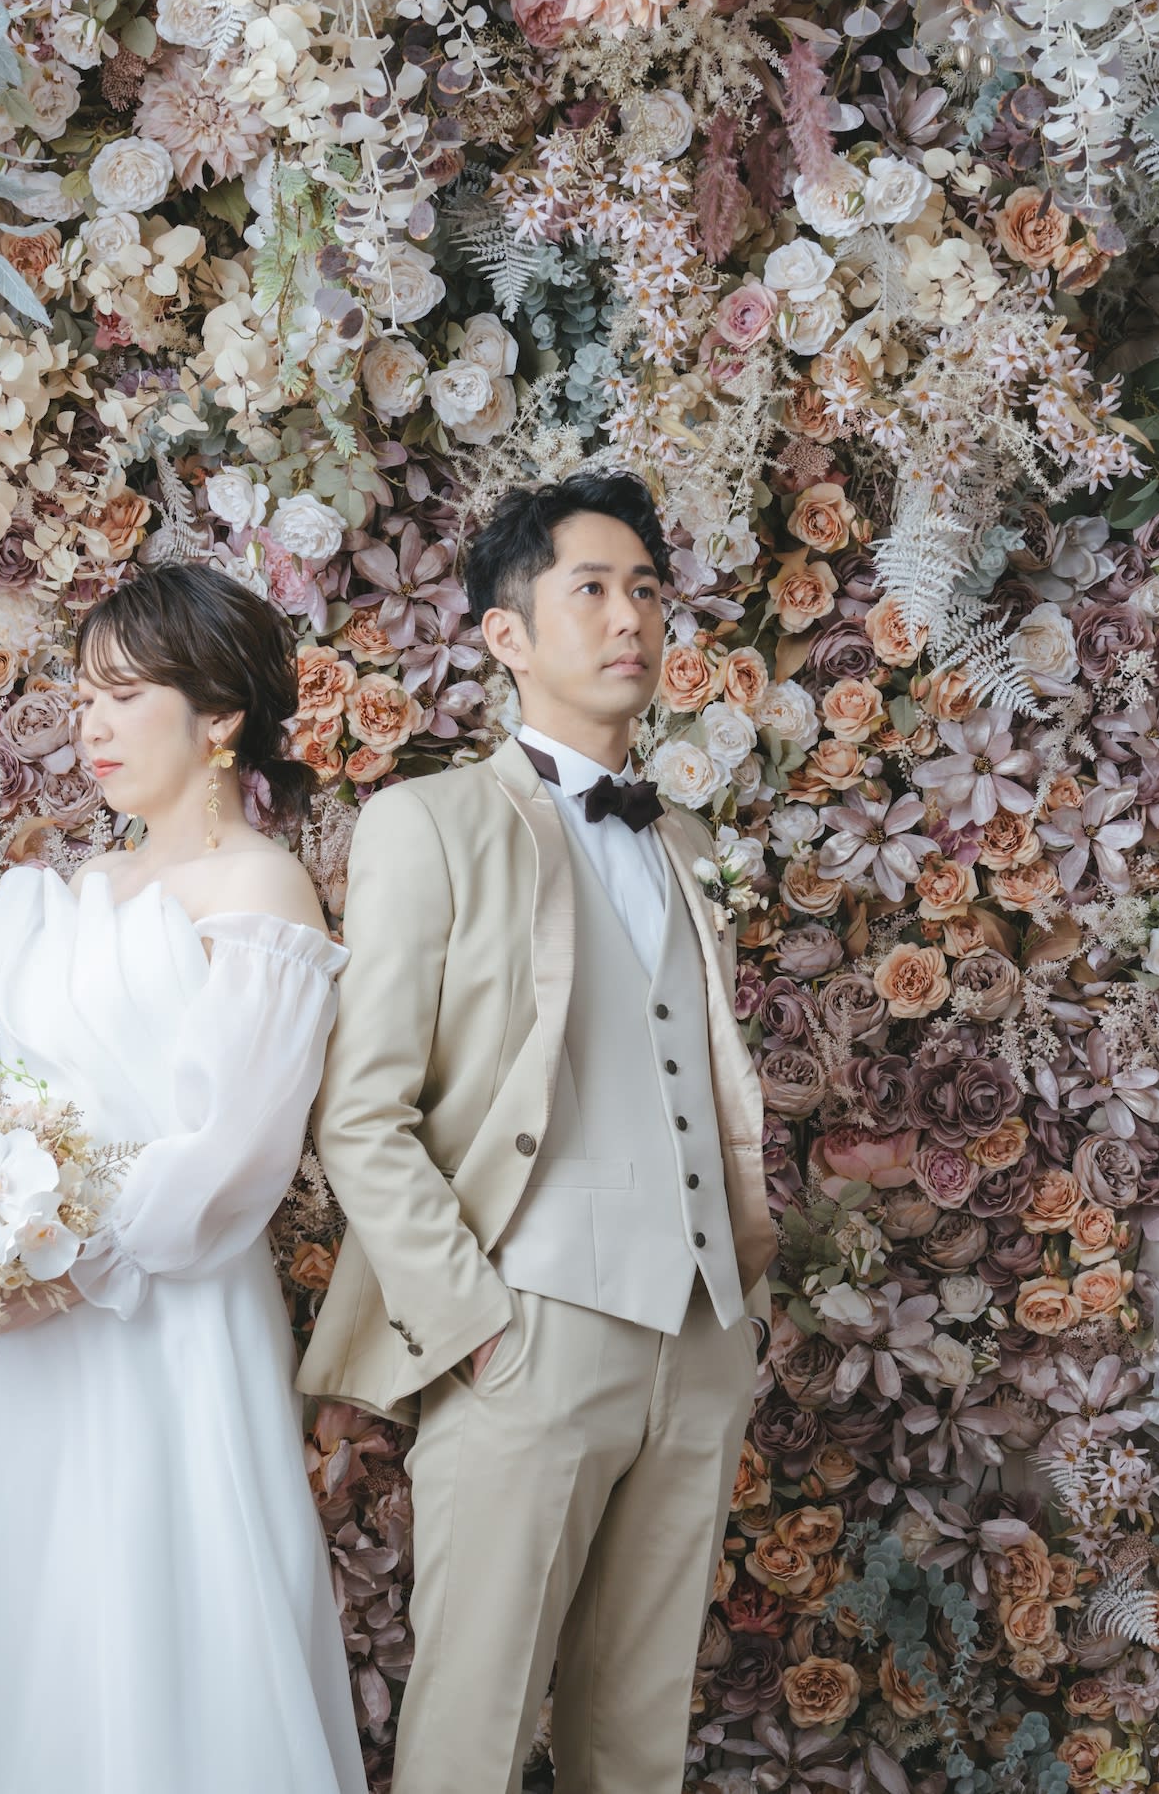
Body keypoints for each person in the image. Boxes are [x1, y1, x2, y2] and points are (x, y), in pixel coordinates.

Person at [0, 563, 368, 1794]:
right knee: (19, 1622)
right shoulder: (72, 894)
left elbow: (236, 1147)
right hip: (23, 1330)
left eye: (125, 695)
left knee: (162, 1617)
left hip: (165, 1314)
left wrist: (69, 1275)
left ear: (219, 714)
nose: (92, 724)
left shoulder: (260, 886)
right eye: (84, 696)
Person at [298, 470, 776, 1794]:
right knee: (473, 1731)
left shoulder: (688, 841)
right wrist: (472, 1322)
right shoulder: (429, 822)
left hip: (699, 1336)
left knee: (637, 1740)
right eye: (592, 588)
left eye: (647, 589)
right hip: (528, 1332)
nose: (630, 617)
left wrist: (739, 1311)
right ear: (506, 633)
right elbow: (361, 1110)